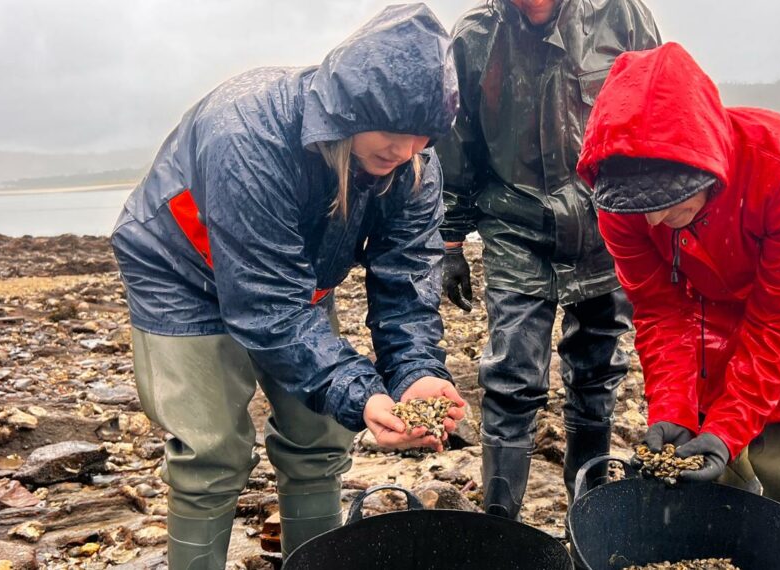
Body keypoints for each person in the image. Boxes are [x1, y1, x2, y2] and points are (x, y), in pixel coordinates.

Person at [110, 6, 465, 567]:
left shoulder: (413, 165)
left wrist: (417, 373)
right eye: (392, 131)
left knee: (321, 439)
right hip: (179, 273)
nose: (404, 150)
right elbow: (266, 305)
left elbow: (407, 280)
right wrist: (363, 392)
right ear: (350, 108)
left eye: (421, 136)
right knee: (211, 454)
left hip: (297, 282)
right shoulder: (246, 132)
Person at [576, 42, 780, 535]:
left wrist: (728, 427)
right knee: (705, 417)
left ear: (707, 167)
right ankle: (722, 520)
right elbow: (659, 309)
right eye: (639, 205)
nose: (653, 218)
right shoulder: (618, 201)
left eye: (668, 199)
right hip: (706, 290)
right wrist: (674, 410)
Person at [436, 0, 662, 518]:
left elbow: (655, 108)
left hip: (608, 222)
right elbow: (456, 143)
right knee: (511, 376)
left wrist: (657, 218)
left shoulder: (621, 15)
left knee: (598, 371)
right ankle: (500, 525)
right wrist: (449, 244)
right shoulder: (473, 37)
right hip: (515, 224)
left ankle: (590, 513)